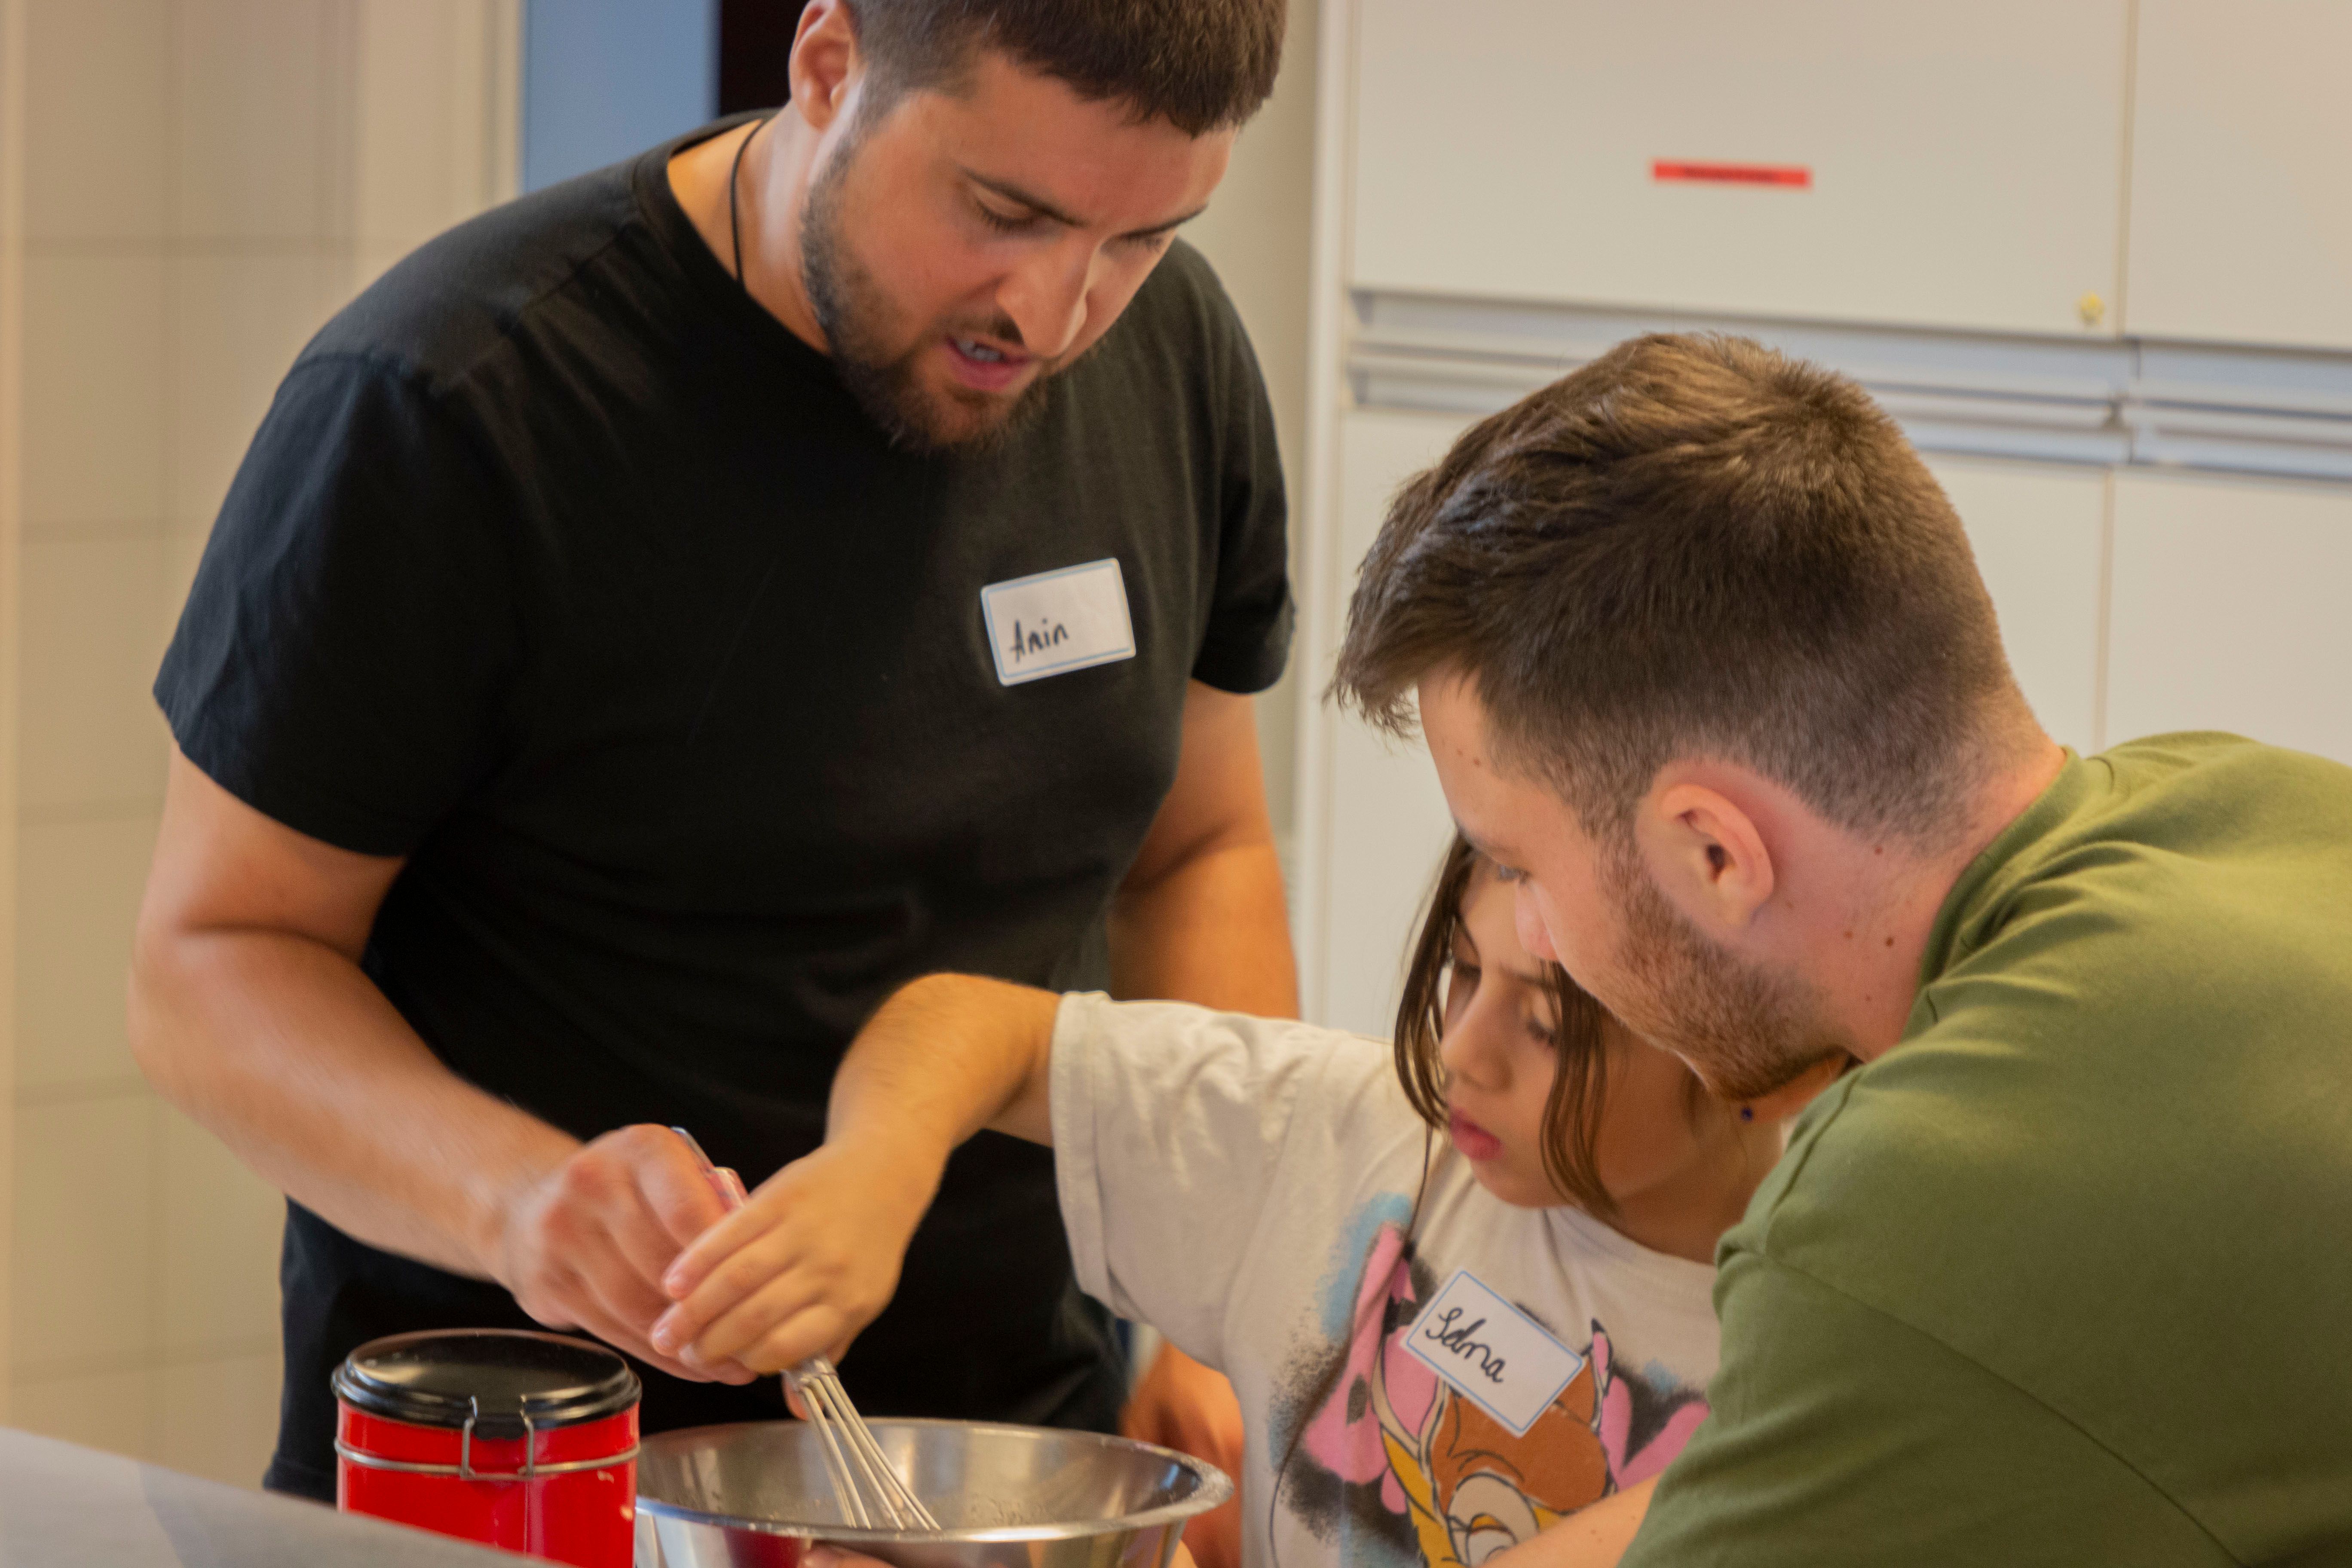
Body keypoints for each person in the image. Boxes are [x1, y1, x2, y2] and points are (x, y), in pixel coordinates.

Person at [127, 0, 1290, 1525]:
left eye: (1143, 238)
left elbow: (1198, 851)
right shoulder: (457, 403)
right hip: (531, 1477)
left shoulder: (1177, 359)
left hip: (999, 1471)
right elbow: (210, 964)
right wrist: (522, 1198)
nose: (1061, 310)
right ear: (827, 68)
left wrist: (1225, 1300)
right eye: (1007, 212)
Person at [1324, 332, 2352, 1565]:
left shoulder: (1908, 1208)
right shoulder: (2247, 800)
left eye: (1525, 870)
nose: (1529, 933)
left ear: (1714, 854)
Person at [652, 834, 1844, 1568]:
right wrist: (875, 1171)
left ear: (1758, 1059)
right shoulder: (1358, 1132)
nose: (1460, 1055)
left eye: (1545, 1024)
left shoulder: (1841, 1349)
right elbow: (976, 1031)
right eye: (1463, 973)